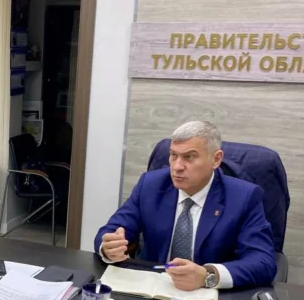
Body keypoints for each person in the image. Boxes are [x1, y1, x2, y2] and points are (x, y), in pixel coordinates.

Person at [94, 121, 276, 290]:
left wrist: (208, 275)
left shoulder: (244, 197)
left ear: (216, 159)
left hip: (207, 297)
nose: (177, 166)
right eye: (173, 155)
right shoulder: (150, 185)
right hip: (151, 289)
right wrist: (108, 247)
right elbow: (110, 231)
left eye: (189, 157)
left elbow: (263, 261)